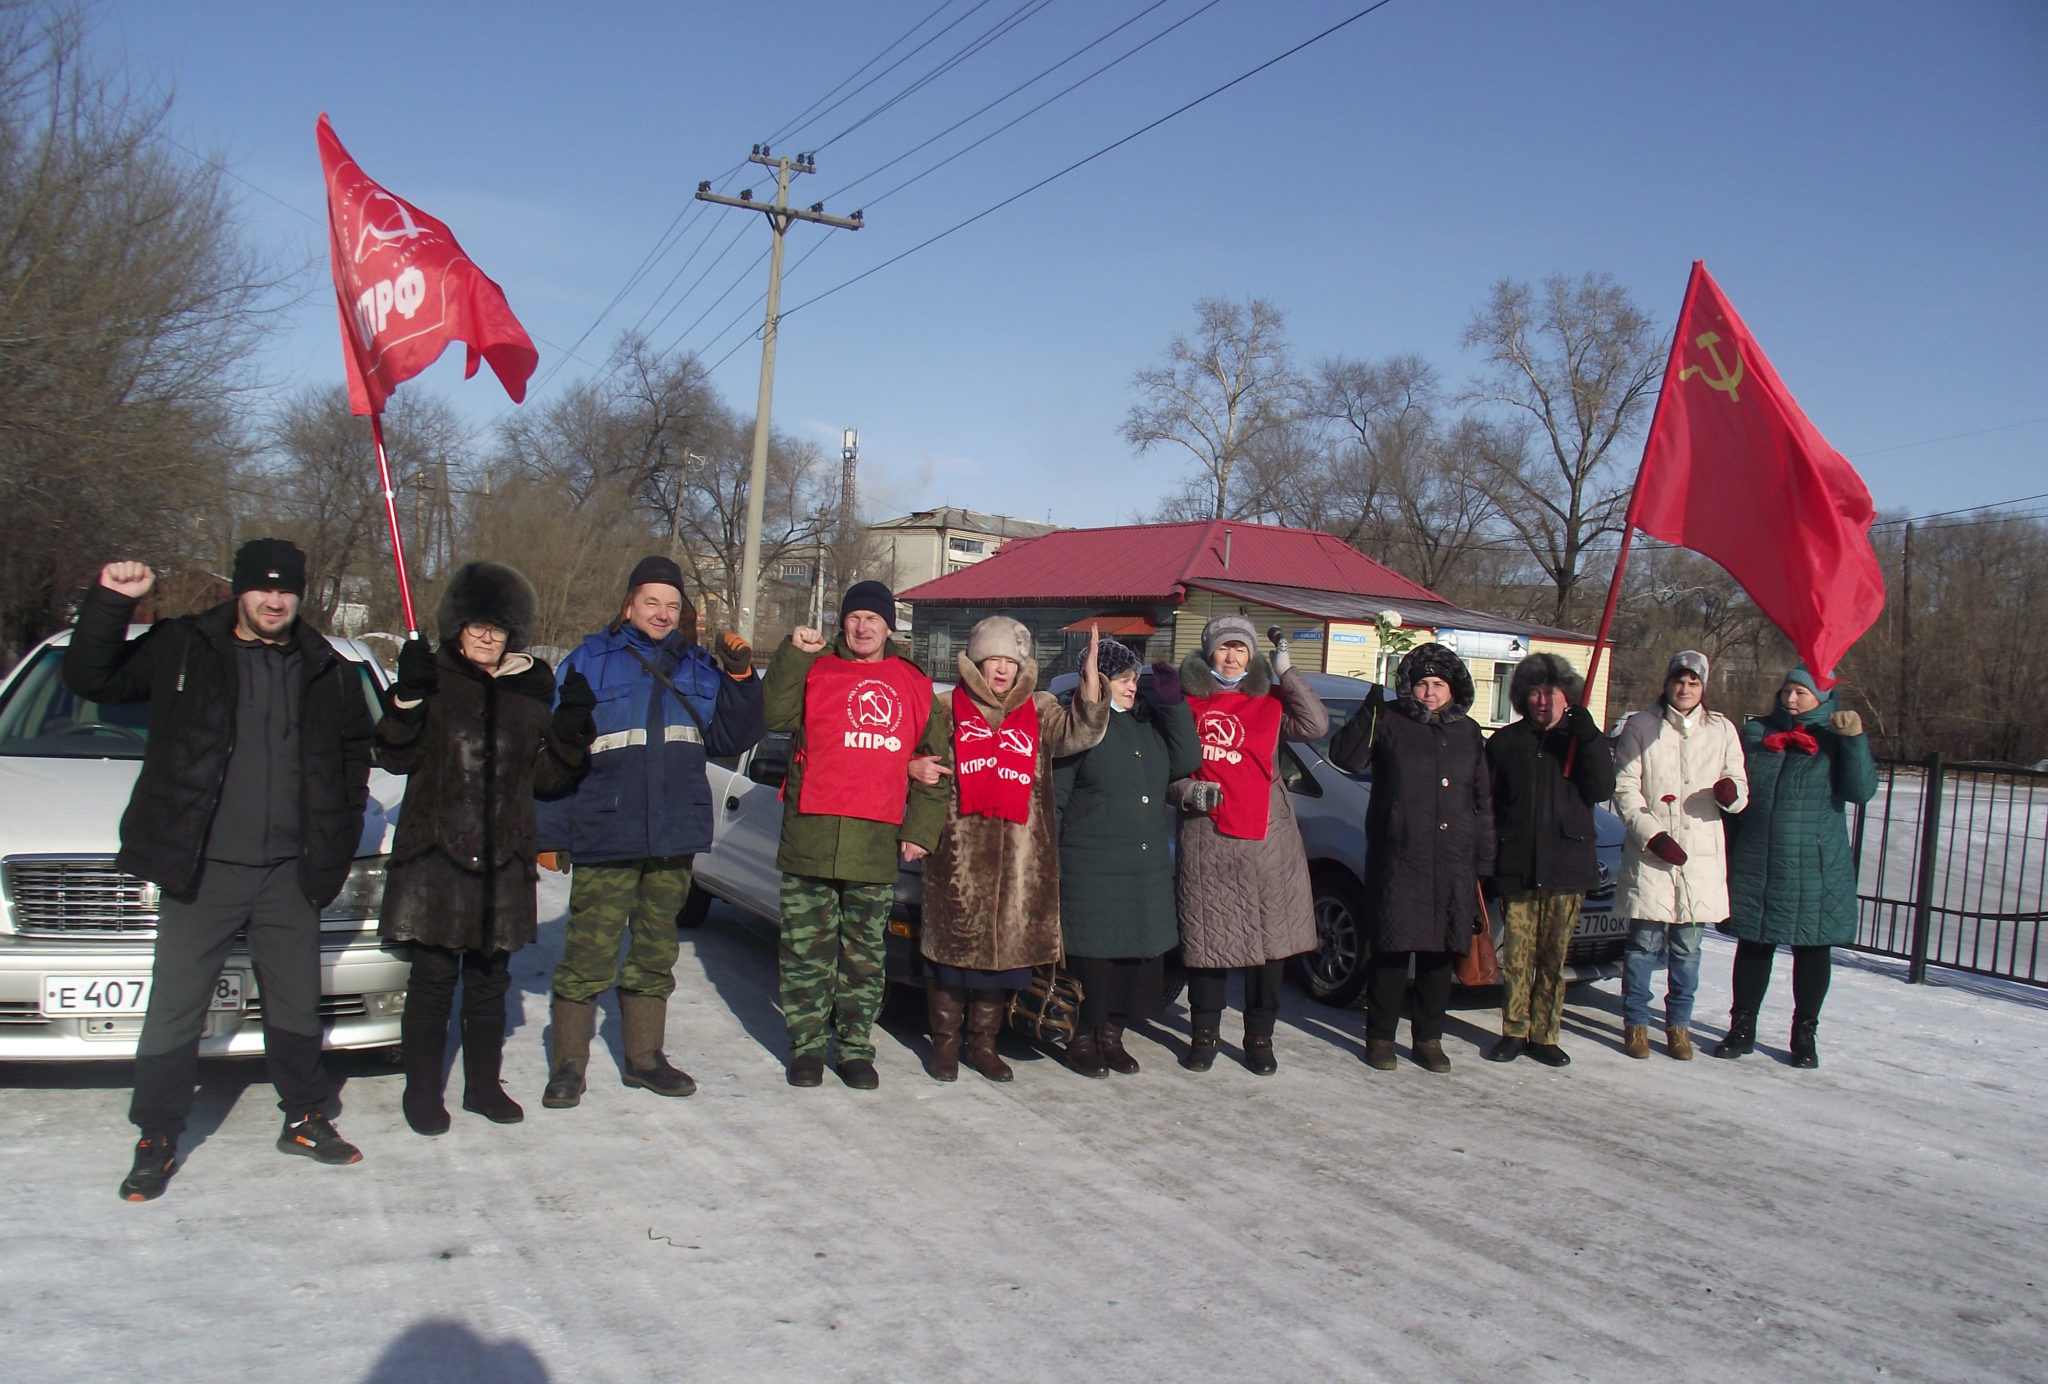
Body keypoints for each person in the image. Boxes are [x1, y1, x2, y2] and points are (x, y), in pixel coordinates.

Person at [63, 541, 374, 1201]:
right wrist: (112, 603)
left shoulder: (327, 669)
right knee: (177, 1006)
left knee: (293, 1004)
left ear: (300, 595)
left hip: (288, 871)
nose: (273, 601)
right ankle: (157, 1133)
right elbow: (93, 678)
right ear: (238, 590)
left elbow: (352, 760)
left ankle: (304, 1116)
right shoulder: (184, 648)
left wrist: (335, 841)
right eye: (262, 589)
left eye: (286, 591)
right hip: (202, 867)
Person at [534, 556, 763, 1108]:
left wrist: (740, 679)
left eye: (671, 604)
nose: (662, 613)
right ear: (629, 604)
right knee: (589, 951)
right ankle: (568, 1065)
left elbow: (733, 734)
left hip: (673, 832)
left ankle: (644, 1059)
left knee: (656, 952)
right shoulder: (589, 662)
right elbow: (554, 755)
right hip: (606, 829)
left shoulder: (697, 666)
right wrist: (549, 833)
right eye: (651, 602)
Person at [375, 563, 594, 1135]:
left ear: (513, 633)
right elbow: (394, 757)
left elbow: (547, 780)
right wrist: (406, 698)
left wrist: (571, 732)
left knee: (489, 982)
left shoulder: (529, 693)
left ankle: (482, 1086)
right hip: (436, 858)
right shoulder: (434, 678)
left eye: (498, 627)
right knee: (431, 981)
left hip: (503, 861)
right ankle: (422, 1091)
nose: (486, 636)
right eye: (476, 624)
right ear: (457, 625)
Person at [762, 580, 947, 1089]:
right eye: (854, 617)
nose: (863, 627)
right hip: (811, 835)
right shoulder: (816, 667)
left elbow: (936, 764)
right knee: (805, 950)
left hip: (875, 839)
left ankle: (854, 1048)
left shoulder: (912, 683)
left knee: (864, 954)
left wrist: (921, 831)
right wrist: (793, 655)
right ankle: (805, 1047)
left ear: (890, 625)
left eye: (874, 619)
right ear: (842, 621)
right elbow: (775, 715)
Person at [912, 617, 1106, 1082]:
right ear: (975, 661)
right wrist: (911, 766)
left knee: (1002, 966)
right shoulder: (944, 708)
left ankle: (983, 1045)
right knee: (952, 957)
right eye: (992, 659)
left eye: (1009, 661)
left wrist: (1091, 680)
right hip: (958, 857)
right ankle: (944, 1045)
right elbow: (918, 762)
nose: (1000, 670)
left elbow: (1082, 731)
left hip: (1022, 860)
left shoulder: (1039, 710)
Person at [1170, 617, 1328, 1075]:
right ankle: (1204, 1035)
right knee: (1209, 945)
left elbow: (1316, 725)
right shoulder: (1186, 704)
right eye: (1224, 649)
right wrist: (1186, 793)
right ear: (1209, 654)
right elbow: (1165, 768)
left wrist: (1288, 673)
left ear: (1253, 655)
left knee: (1267, 949)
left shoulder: (1274, 703)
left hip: (1268, 843)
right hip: (1208, 840)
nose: (1232, 657)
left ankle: (1260, 1038)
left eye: (1241, 649)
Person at [1327, 643, 1493, 1074]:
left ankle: (1428, 1039)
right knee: (1392, 953)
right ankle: (1380, 1036)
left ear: (1454, 688)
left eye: (1438, 684)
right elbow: (1344, 756)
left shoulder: (1468, 732)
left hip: (1453, 862)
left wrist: (1484, 862)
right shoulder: (1391, 721)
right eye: (1422, 683)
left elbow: (1481, 800)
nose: (1429, 692)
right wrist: (1369, 711)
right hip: (1400, 858)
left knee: (1440, 956)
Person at [1714, 664, 1877, 1068]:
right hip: (1758, 857)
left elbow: (1860, 791)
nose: (1791, 699)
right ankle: (1742, 1026)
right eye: (1787, 690)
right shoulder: (1756, 733)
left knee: (1811, 948)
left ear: (1822, 699)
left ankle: (1805, 1034)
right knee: (1754, 944)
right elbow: (1735, 785)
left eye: (1801, 693)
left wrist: (1854, 740)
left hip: (1815, 864)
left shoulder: (1835, 738)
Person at [1051, 641, 1200, 1077]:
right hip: (1090, 867)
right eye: (1123, 679)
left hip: (1141, 868)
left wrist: (1172, 704)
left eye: (1135, 678)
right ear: (1099, 681)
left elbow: (1187, 760)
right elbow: (1056, 800)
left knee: (1133, 962)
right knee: (1093, 961)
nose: (1133, 686)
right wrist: (1049, 864)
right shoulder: (1077, 726)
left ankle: (1112, 1036)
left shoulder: (1146, 721)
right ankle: (1082, 1036)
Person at [1611, 650, 1748, 1060]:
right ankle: (1636, 1022)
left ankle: (1678, 1025)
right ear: (1667, 682)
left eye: (1693, 682)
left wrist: (1731, 795)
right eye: (1679, 680)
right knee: (1643, 945)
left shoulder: (1721, 730)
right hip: (1653, 854)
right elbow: (1625, 788)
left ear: (1703, 686)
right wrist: (1652, 835)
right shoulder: (1641, 726)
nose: (1685, 688)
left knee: (1688, 949)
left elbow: (1739, 783)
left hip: (1699, 855)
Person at [1484, 653, 1616, 1068]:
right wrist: (1488, 862)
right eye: (1535, 692)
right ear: (1523, 697)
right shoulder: (1505, 743)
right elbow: (1488, 805)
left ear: (1568, 696)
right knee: (1518, 956)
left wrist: (1591, 739)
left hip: (1567, 864)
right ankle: (1514, 1029)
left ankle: (1545, 1033)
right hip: (1518, 864)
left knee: (1552, 959)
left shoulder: (1580, 740)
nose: (1544, 700)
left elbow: (1600, 788)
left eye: (1553, 692)